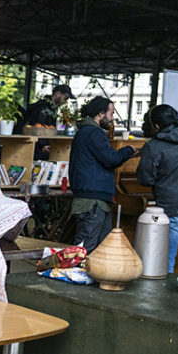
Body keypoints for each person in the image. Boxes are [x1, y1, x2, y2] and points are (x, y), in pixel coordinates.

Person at [68, 96, 138, 252]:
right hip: (93, 200)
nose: (112, 118)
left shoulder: (85, 132)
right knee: (87, 247)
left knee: (99, 247)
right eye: (111, 113)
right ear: (100, 114)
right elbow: (110, 159)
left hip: (95, 199)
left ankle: (88, 275)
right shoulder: (93, 132)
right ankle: (77, 274)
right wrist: (128, 150)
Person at [136, 104, 178, 272]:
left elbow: (145, 179)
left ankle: (164, 298)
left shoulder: (154, 146)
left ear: (156, 125)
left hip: (170, 209)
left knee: (164, 260)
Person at [18, 83, 75, 159]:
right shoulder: (43, 107)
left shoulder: (51, 108)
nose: (65, 102)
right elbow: (37, 127)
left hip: (41, 147)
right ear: (58, 94)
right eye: (65, 99)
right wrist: (43, 145)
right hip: (36, 149)